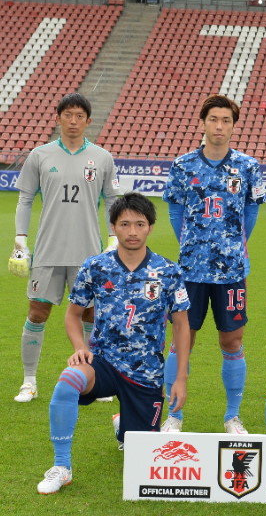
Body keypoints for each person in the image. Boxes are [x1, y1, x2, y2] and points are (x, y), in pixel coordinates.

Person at [37, 192, 191, 494]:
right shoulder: (95, 266)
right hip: (103, 363)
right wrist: (80, 346)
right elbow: (73, 315)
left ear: (150, 227)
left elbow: (182, 327)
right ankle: (61, 466)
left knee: (142, 457)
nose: (132, 231)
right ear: (114, 226)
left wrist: (181, 377)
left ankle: (126, 425)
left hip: (146, 373)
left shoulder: (169, 271)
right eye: (124, 224)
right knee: (68, 381)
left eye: (139, 224)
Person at [161, 94, 266, 434]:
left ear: (233, 126)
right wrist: (193, 244)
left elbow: (251, 213)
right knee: (181, 341)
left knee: (232, 341)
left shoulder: (248, 167)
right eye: (213, 120)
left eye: (226, 121)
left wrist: (231, 245)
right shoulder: (183, 165)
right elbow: (175, 211)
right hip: (190, 271)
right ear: (203, 122)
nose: (219, 126)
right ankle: (174, 415)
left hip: (232, 272)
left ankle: (232, 416)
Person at [10, 93, 121, 403]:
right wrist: (21, 238)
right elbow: (25, 198)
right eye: (67, 115)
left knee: (90, 314)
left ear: (87, 121)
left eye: (79, 116)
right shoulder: (39, 155)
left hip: (88, 253)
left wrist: (113, 238)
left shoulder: (101, 157)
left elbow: (113, 200)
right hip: (48, 249)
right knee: (38, 312)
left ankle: (95, 377)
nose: (73, 121)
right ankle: (29, 381)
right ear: (58, 118)